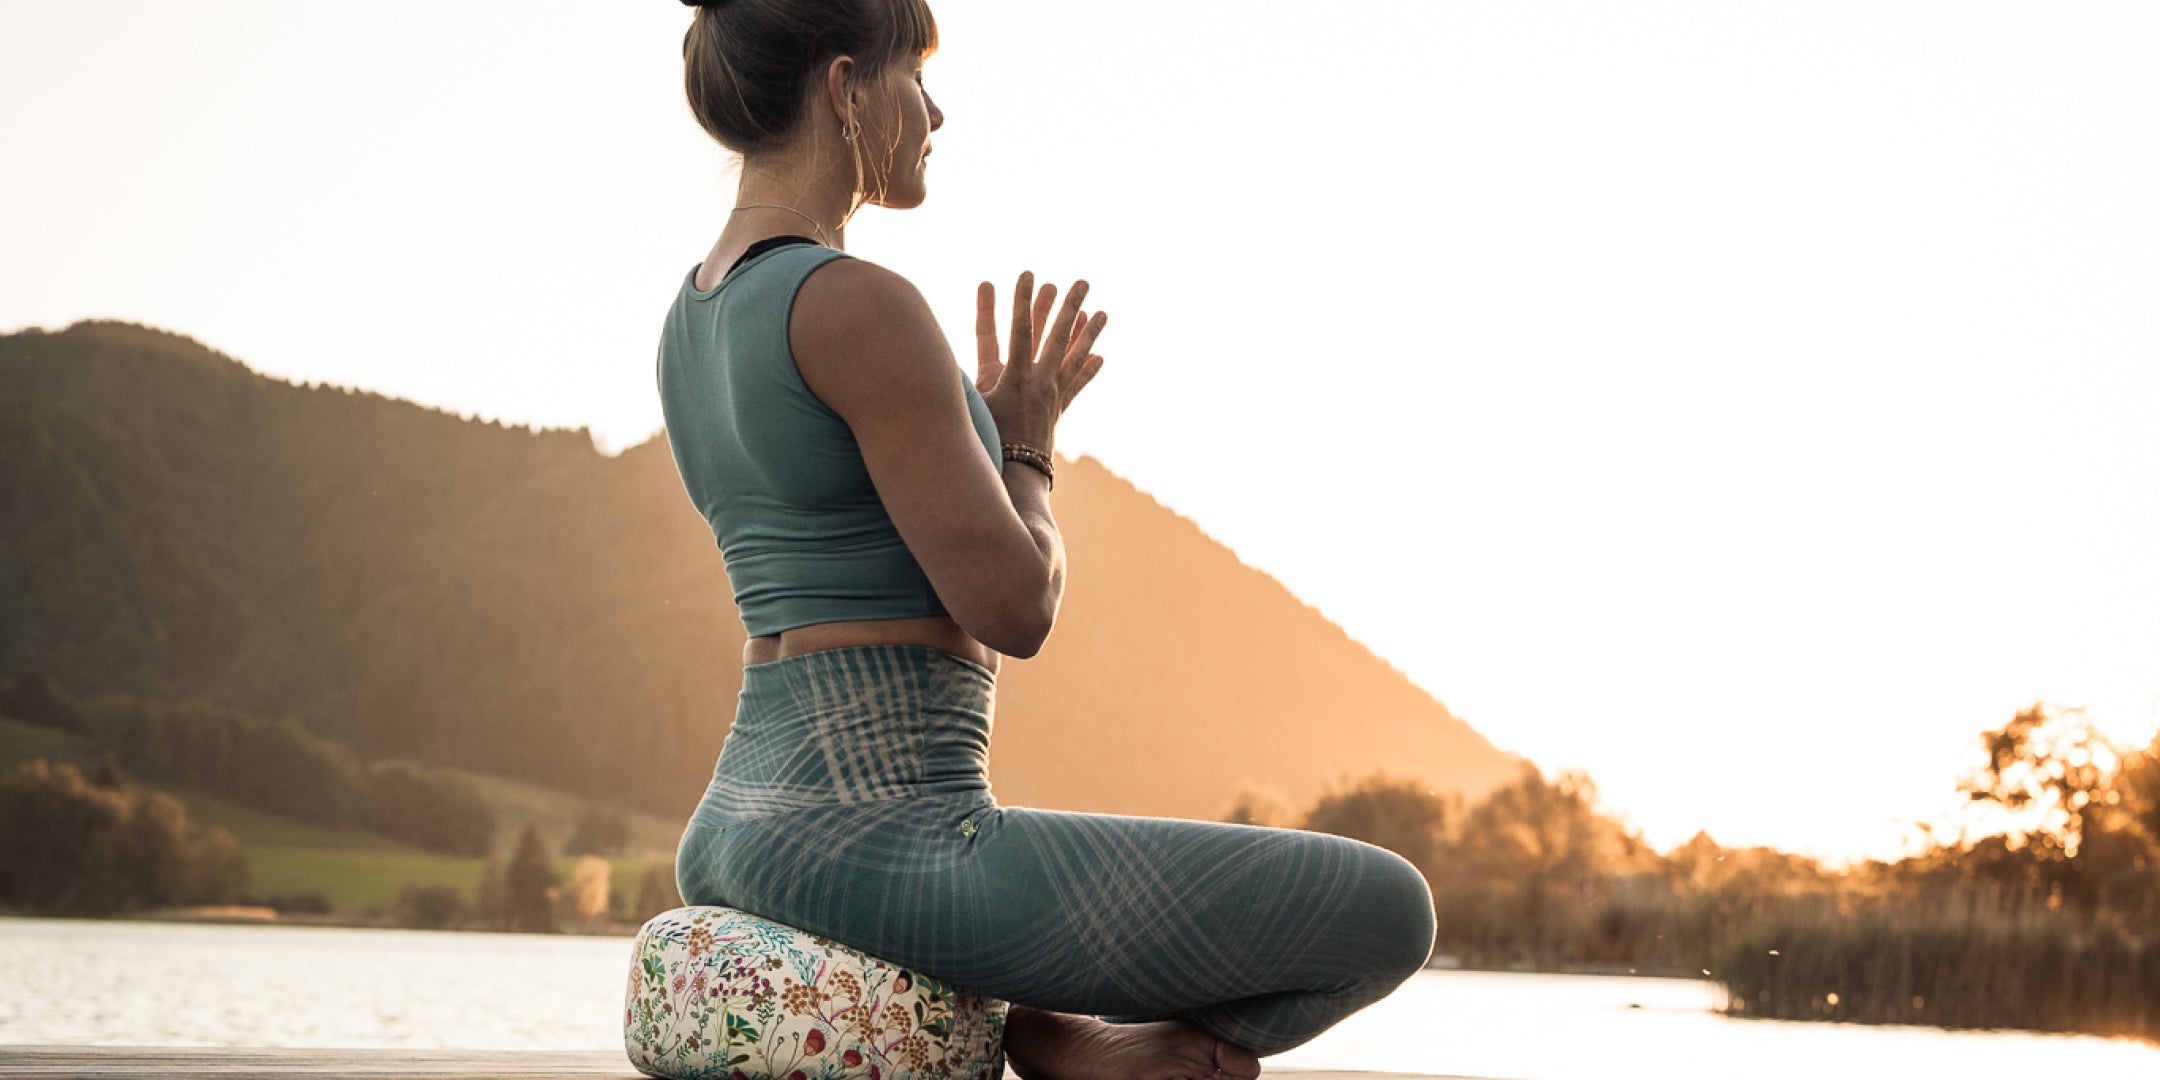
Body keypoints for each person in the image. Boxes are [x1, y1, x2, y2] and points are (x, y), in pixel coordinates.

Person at [655, 2, 1436, 1078]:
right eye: (914, 76)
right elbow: (1015, 606)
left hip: (738, 824)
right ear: (845, 89)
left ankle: (1035, 1025)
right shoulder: (857, 303)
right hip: (884, 840)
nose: (934, 109)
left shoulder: (693, 317)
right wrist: (1027, 447)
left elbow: (838, 532)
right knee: (1389, 911)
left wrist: (962, 432)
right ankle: (1088, 1053)